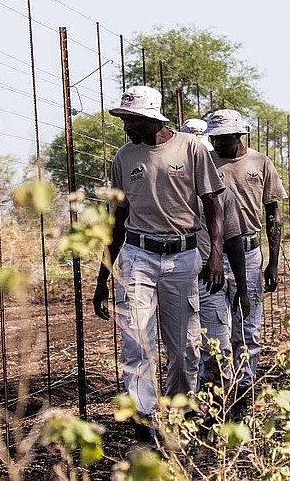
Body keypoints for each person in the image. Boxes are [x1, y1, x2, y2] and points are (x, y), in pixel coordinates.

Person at [91, 86, 226, 445]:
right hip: (138, 256)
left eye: (131, 120)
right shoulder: (123, 157)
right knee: (137, 340)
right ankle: (144, 419)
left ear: (152, 119)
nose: (126, 128)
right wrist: (104, 276)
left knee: (183, 346)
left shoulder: (192, 148)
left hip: (183, 256)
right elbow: (117, 221)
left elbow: (213, 205)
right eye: (124, 120)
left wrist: (214, 253)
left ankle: (181, 412)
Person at [203, 109, 287, 419]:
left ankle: (242, 392)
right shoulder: (206, 162)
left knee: (246, 328)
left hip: (249, 254)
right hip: (212, 251)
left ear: (239, 136)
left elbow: (273, 213)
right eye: (215, 139)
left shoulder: (259, 162)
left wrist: (274, 262)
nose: (219, 144)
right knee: (214, 330)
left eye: (225, 139)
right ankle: (213, 392)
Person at [177, 119, 251, 402]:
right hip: (178, 280)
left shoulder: (222, 194)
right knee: (185, 350)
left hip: (211, 282)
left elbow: (233, 240)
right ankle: (190, 414)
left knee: (217, 350)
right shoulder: (166, 189)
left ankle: (221, 412)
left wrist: (242, 289)